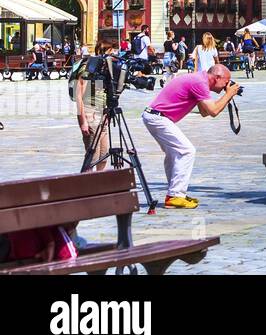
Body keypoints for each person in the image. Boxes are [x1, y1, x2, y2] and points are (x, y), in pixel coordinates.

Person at [140, 62, 240, 209]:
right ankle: (175, 195)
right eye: (225, 83)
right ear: (217, 77)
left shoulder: (200, 80)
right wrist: (228, 94)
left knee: (174, 153)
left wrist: (226, 96)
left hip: (155, 116)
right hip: (158, 118)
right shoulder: (199, 82)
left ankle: (174, 193)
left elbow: (205, 113)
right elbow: (213, 111)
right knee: (187, 150)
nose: (226, 86)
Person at [75, 36, 119, 172]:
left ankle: (99, 184)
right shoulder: (89, 66)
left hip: (102, 112)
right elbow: (79, 95)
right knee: (92, 156)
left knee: (104, 155)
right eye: (113, 53)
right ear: (104, 52)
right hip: (90, 112)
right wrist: (82, 121)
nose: (115, 57)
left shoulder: (106, 68)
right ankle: (86, 185)